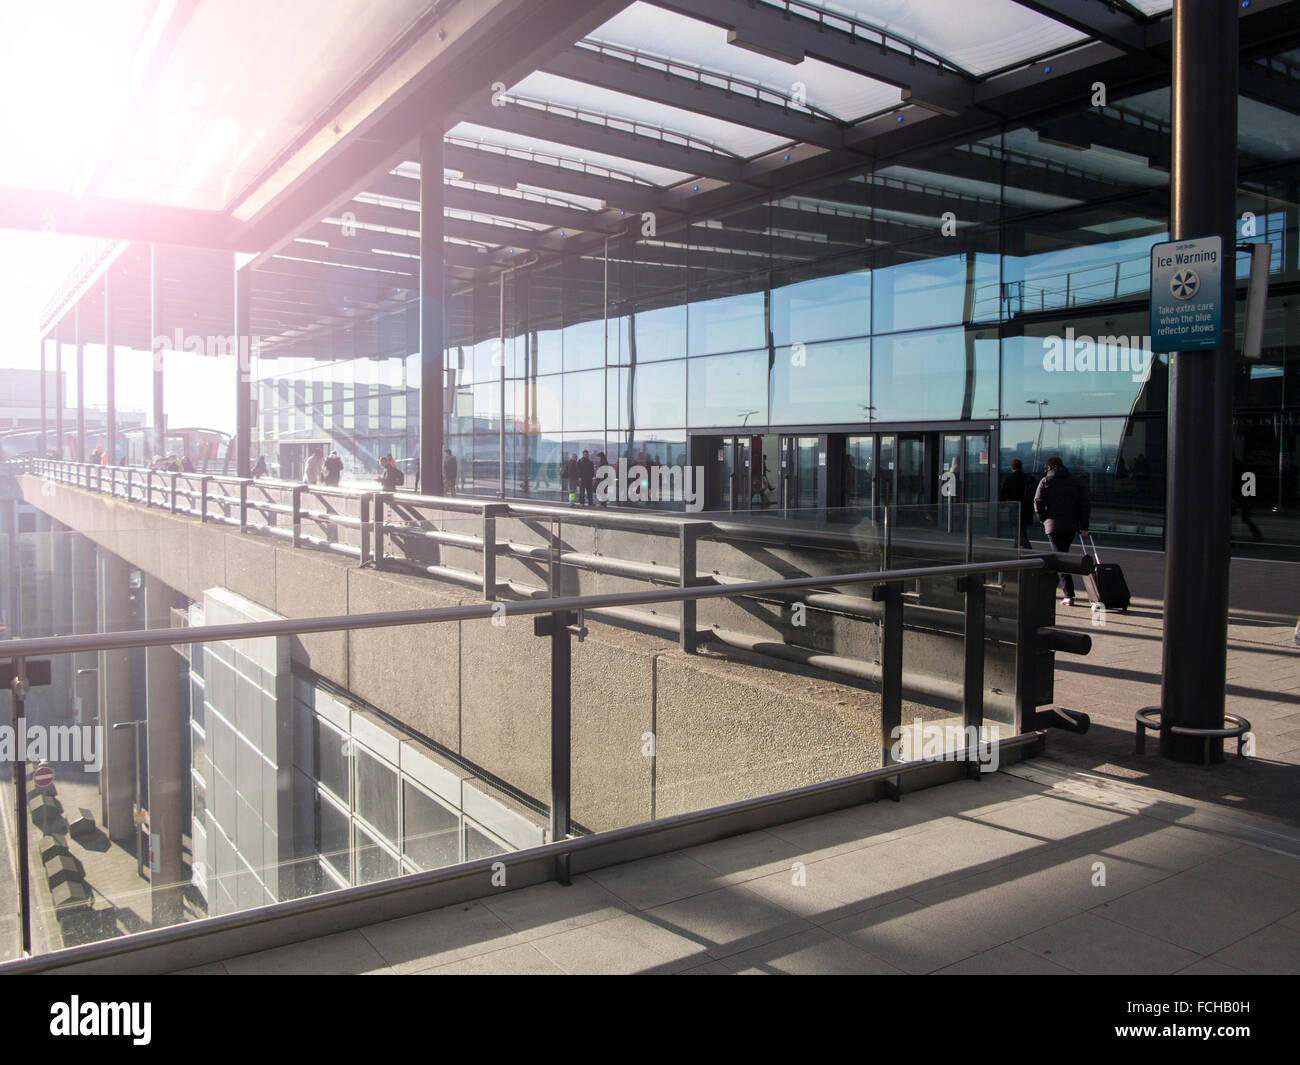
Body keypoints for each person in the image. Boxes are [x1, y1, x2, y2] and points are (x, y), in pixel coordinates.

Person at [1033, 456, 1090, 606]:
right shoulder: (1075, 482)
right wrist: (1084, 526)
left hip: (1053, 526)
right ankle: (1052, 590)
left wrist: (1043, 518)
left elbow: (1038, 502)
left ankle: (1068, 594)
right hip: (1071, 526)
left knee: (1060, 559)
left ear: (1049, 467)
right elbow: (1084, 505)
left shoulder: (1045, 481)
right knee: (1061, 555)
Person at [999, 458, 1035, 549]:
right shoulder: (1028, 478)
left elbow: (1004, 493)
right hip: (1027, 507)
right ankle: (1016, 545)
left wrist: (1002, 504)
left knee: (1019, 528)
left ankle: (1027, 547)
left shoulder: (1010, 479)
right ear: (1021, 467)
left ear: (1012, 467)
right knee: (1022, 528)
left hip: (1015, 507)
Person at [1231, 457, 1262, 542]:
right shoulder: (1244, 468)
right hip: (1246, 495)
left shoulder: (1235, 467)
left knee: (1236, 515)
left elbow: (1236, 483)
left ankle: (1256, 534)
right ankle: (1256, 534)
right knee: (1245, 517)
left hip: (1241, 495)